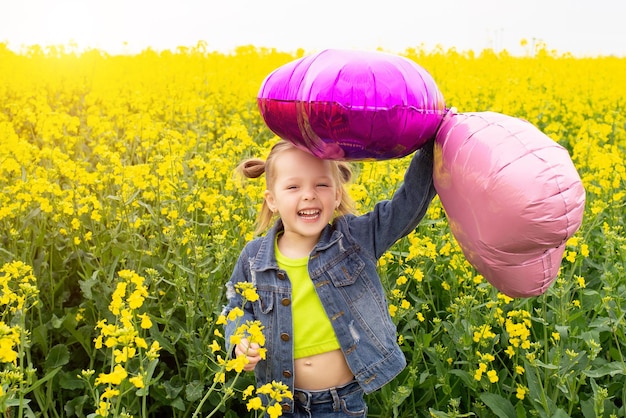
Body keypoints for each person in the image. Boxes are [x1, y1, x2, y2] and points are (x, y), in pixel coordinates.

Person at [222, 138, 436, 417]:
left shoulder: (354, 240)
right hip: (278, 403)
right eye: (293, 187)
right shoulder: (254, 257)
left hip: (341, 405)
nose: (309, 195)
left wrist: (430, 147)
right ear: (271, 200)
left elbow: (405, 207)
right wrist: (240, 338)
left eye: (321, 185)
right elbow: (235, 307)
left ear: (337, 195)